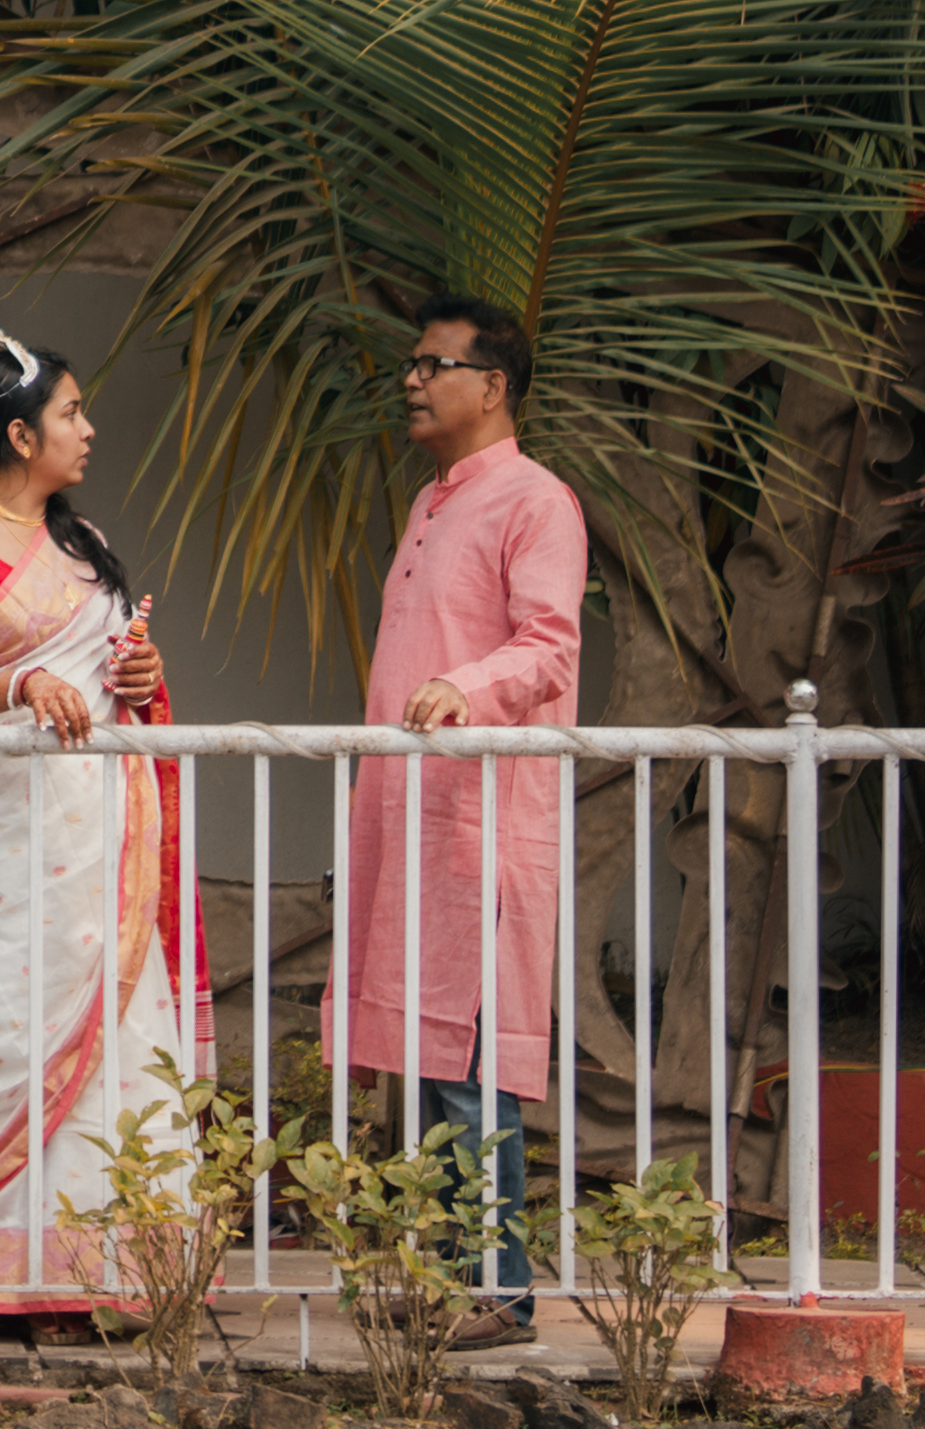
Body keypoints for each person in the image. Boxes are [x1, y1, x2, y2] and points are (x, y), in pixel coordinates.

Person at [0, 327, 201, 1340]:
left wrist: (138, 683)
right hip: (2, 837)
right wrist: (20, 681)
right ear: (19, 434)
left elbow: (111, 676)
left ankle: (80, 1276)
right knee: (0, 1030)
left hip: (97, 832)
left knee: (110, 1039)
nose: (88, 428)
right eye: (71, 413)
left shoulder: (82, 543)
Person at [328, 292, 586, 1350]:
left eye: (435, 364)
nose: (413, 380)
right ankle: (446, 1280)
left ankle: (503, 1290)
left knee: (471, 1061)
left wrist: (464, 688)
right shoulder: (436, 500)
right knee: (432, 1058)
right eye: (412, 364)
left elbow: (553, 645)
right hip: (418, 818)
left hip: (483, 820)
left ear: (494, 385)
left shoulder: (535, 499)